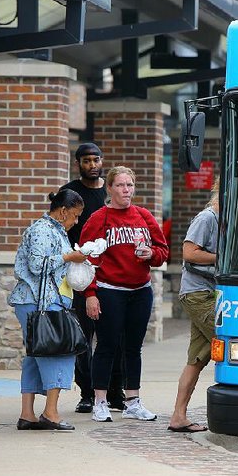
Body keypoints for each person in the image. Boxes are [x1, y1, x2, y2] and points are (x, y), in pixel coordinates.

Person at [80, 166, 169, 422]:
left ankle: (133, 401)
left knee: (134, 348)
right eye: (120, 185)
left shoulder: (143, 215)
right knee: (106, 345)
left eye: (129, 185)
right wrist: (90, 294)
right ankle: (100, 401)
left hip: (140, 291)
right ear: (109, 188)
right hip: (110, 290)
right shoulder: (100, 218)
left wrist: (151, 254)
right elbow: (86, 259)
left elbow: (162, 251)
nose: (125, 190)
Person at [8, 189, 89, 431]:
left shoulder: (54, 230)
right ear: (63, 211)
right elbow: (36, 265)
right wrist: (69, 257)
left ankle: (27, 415)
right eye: (74, 216)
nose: (75, 221)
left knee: (36, 355)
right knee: (58, 352)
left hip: (39, 301)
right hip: (40, 301)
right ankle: (51, 413)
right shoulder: (43, 229)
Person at [59, 142, 126, 414]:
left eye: (95, 159)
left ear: (102, 161)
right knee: (83, 337)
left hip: (110, 274)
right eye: (86, 160)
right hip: (79, 273)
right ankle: (87, 392)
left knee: (113, 336)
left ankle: (114, 391)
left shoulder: (110, 194)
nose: (91, 164)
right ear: (78, 163)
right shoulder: (70, 192)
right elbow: (61, 228)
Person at [168, 182, 219, 433]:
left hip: (210, 293)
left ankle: (178, 416)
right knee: (232, 340)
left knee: (197, 359)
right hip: (199, 294)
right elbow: (189, 253)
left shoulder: (224, 220)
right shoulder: (207, 218)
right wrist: (223, 257)